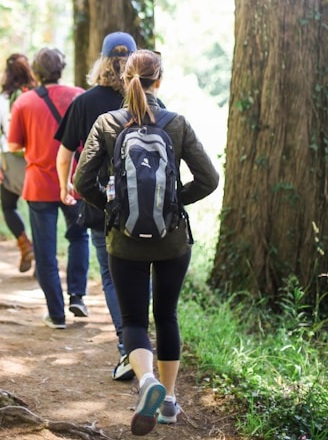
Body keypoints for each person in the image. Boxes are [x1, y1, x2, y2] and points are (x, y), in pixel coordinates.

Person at [74, 49, 219, 435]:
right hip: (172, 242)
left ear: (124, 79)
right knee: (167, 315)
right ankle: (169, 401)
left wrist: (113, 209)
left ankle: (147, 382)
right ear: (160, 80)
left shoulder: (107, 123)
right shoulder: (177, 123)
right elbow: (209, 179)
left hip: (124, 241)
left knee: (135, 319)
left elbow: (81, 183)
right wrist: (173, 204)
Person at [54, 32, 136, 379]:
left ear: (101, 62)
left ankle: (127, 348)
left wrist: (65, 188)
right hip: (145, 202)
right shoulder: (147, 100)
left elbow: (64, 154)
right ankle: (142, 342)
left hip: (100, 202)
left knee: (112, 276)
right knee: (141, 272)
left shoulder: (85, 102)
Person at [7, 47, 89, 329]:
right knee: (79, 237)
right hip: (75, 182)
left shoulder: (24, 102)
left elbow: (13, 144)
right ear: (62, 68)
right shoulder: (79, 95)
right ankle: (77, 295)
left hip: (40, 184)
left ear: (36, 71)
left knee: (45, 251)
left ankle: (56, 314)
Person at [0, 53, 37, 272]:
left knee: (9, 207)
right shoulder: (37, 95)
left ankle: (25, 244)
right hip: (37, 161)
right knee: (38, 211)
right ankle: (42, 260)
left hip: (11, 162)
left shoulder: (0, 100)